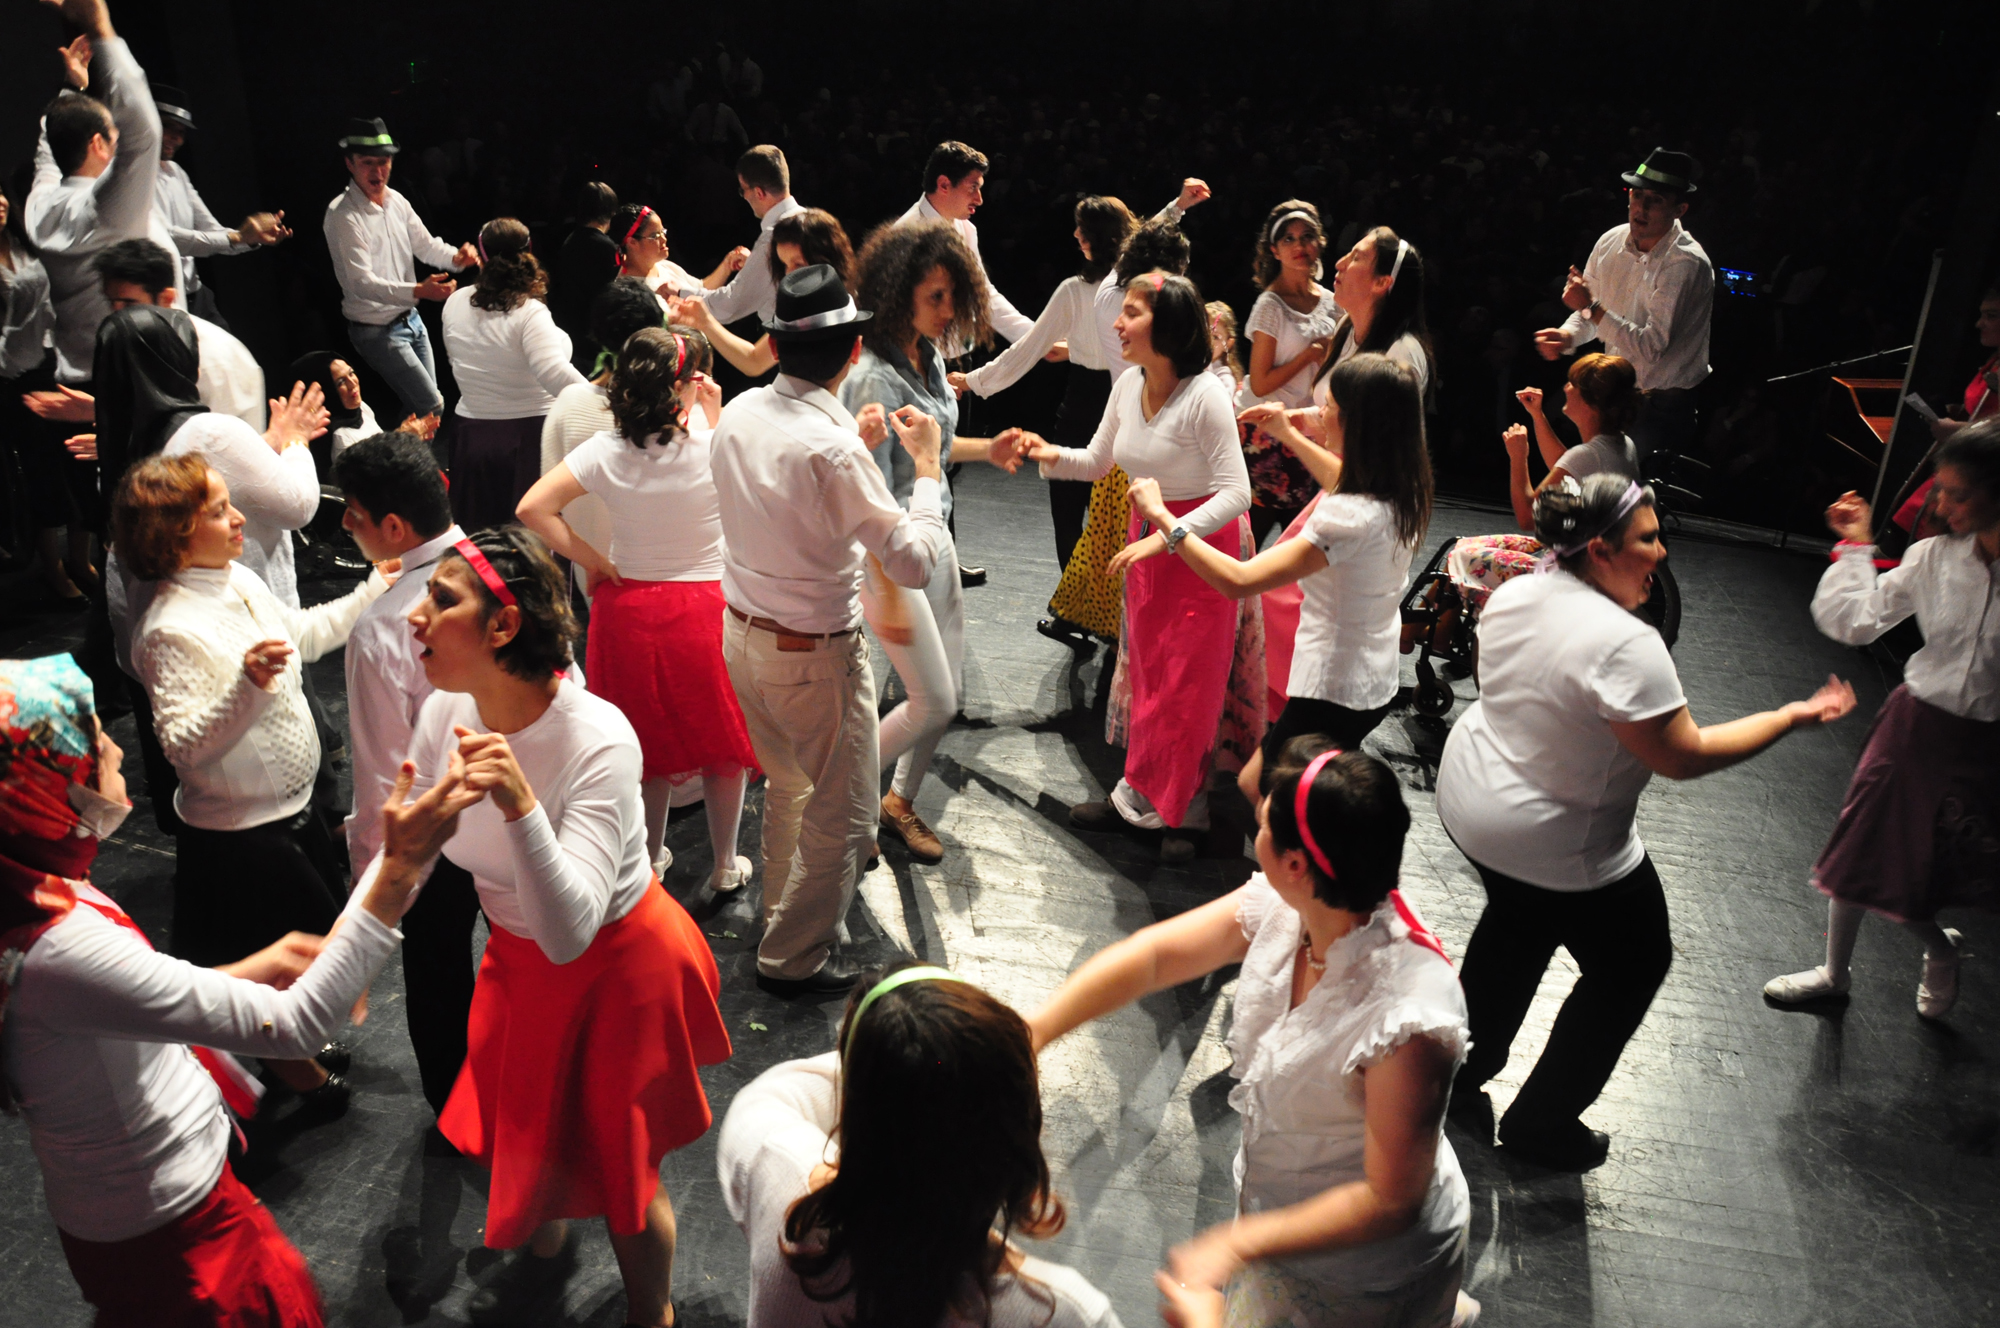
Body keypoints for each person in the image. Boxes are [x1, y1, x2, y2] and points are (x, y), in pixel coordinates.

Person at [0, 651, 470, 1328]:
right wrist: (399, 868)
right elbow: (296, 1025)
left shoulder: (33, 889)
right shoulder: (59, 945)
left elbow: (119, 1005)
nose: (115, 749)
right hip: (176, 1239)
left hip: (144, 1220)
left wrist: (257, 964)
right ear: (46, 790)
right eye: (95, 742)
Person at [1437, 473, 1856, 1170]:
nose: (1661, 553)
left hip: (1472, 797)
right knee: (1632, 962)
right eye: (1649, 539)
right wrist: (1789, 716)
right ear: (1601, 550)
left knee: (1517, 924)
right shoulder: (1626, 646)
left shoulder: (1516, 590)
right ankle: (1541, 1125)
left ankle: (1455, 1074)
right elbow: (1682, 756)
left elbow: (1498, 685)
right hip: (1551, 839)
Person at [380, 526, 732, 1327]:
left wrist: (519, 807)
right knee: (530, 1136)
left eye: (441, 600)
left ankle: (652, 1314)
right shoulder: (446, 710)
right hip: (518, 962)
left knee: (624, 1175)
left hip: (617, 970)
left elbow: (569, 932)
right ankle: (544, 1244)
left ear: (503, 626)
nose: (414, 616)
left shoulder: (598, 739)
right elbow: (416, 845)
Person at [1029, 743, 1476, 1327]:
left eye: (1262, 826)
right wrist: (1037, 1029)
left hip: (1362, 1271)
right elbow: (1156, 957)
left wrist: (1240, 1243)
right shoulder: (1291, 904)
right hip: (1285, 1214)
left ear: (1296, 864)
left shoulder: (1409, 1016)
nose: (1253, 830)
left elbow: (1389, 1198)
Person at [116, 451, 394, 1112]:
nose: (239, 518)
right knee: (263, 961)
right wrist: (247, 686)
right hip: (242, 838)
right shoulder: (167, 628)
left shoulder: (235, 579)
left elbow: (300, 636)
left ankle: (294, 1042)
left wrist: (370, 592)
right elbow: (184, 747)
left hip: (289, 816)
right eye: (219, 511)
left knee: (298, 954)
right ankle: (297, 1072)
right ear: (174, 536)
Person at [709, 264, 950, 996]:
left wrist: (853, 438)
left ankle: (780, 916)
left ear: (778, 346)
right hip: (811, 656)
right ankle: (792, 956)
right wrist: (928, 469)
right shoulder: (834, 450)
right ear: (852, 351)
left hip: (742, 635)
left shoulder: (740, 413)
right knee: (844, 817)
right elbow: (912, 563)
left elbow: (797, 489)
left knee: (788, 787)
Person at [718, 961, 1120, 1328]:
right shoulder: (1063, 1313)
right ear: (1017, 1137)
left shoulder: (774, 1171)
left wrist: (901, 1056)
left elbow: (782, 1092)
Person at [1763, 423, 2000, 1018]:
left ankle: (1939, 947)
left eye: (1958, 494)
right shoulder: (1934, 558)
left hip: (1986, 742)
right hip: (1916, 726)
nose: (1940, 506)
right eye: (1940, 489)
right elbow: (1856, 620)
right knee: (1862, 848)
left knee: (1933, 869)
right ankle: (1835, 972)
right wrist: (1857, 546)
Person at [1019, 272, 1255, 862]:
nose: (1117, 324)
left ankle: (1185, 814)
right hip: (1148, 541)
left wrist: (1167, 533)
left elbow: (1237, 493)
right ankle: (1138, 799)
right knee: (1148, 676)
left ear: (1167, 324)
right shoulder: (1128, 385)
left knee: (1189, 688)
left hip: (1200, 550)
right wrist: (1046, 454)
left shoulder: (1204, 395)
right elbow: (1098, 461)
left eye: (1131, 313)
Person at [517, 327, 756, 893]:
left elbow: (532, 508)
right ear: (684, 386)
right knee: (724, 746)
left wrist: (594, 559)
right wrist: (716, 415)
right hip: (704, 609)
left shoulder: (605, 450)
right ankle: (725, 865)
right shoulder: (717, 443)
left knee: (644, 745)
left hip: (628, 611)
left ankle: (648, 861)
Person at [840, 221, 1028, 864]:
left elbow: (934, 449)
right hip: (890, 552)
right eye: (936, 297)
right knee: (934, 700)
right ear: (899, 295)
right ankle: (841, 795)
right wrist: (880, 574)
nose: (949, 311)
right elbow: (861, 484)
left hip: (933, 531)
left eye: (953, 296)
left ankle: (896, 802)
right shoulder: (872, 376)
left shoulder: (929, 355)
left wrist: (987, 448)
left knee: (944, 697)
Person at [1180, 352, 1431, 797]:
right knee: (1272, 786)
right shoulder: (1405, 487)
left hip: (1334, 689)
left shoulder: (1346, 515)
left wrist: (1169, 524)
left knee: (1269, 794)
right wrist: (1288, 432)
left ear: (1355, 421)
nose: (1318, 413)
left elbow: (1238, 581)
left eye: (1327, 406)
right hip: (1371, 678)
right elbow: (1343, 478)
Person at [328, 433, 481, 1119]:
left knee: (439, 969)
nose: (343, 524)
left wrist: (375, 887)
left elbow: (386, 779)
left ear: (393, 527)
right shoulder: (506, 565)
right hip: (524, 806)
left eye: (353, 513)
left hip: (439, 832)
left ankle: (458, 1115)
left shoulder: (385, 627)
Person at [947, 196, 1132, 583]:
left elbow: (1028, 350)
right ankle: (1117, 603)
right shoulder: (1139, 288)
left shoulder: (1074, 291)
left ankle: (1075, 598)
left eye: (1081, 229)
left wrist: (972, 380)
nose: (1076, 234)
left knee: (1067, 510)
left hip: (1083, 409)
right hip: (1128, 408)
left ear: (1092, 239)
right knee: (1118, 516)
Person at [26, 0, 176, 389]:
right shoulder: (107, 211)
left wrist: (71, 88)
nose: (117, 140)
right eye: (112, 135)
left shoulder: (38, 207)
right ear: (97, 144)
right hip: (132, 382)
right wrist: (101, 30)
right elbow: (144, 132)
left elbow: (48, 149)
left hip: (76, 379)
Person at [1535, 148, 1712, 461]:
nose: (1641, 207)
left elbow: (1650, 346)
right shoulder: (1611, 241)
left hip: (1661, 403)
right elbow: (1591, 313)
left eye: (1655, 199)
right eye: (1637, 195)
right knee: (1589, 469)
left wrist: (1590, 308)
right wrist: (1567, 335)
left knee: (1631, 484)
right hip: (1615, 389)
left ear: (1680, 209)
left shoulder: (1684, 263)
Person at [1441, 353, 1643, 611]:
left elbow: (1528, 517)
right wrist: (1537, 415)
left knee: (1461, 557)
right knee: (1464, 546)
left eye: (1573, 384)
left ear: (1591, 402)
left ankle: (1434, 626)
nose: (1566, 388)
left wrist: (1518, 457)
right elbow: (1565, 465)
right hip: (1591, 561)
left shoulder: (1589, 455)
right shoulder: (1620, 444)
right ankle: (1440, 626)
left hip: (1571, 575)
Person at [25, 237, 268, 440]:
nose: (117, 316)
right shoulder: (139, 344)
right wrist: (103, 414)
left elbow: (221, 447)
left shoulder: (214, 356)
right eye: (112, 302)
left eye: (130, 304)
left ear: (166, 298)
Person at [322, 116, 478, 420]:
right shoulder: (343, 214)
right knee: (430, 406)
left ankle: (400, 452)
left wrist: (456, 258)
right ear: (350, 163)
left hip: (411, 321)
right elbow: (361, 284)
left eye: (384, 162)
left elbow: (426, 245)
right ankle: (398, 452)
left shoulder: (396, 200)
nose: (378, 171)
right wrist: (419, 290)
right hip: (376, 330)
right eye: (367, 163)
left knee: (423, 413)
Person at [438, 216, 588, 530]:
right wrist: (605, 402)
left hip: (472, 436)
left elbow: (458, 361)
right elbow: (555, 375)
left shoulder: (453, 302)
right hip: (528, 437)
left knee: (480, 537)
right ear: (528, 252)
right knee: (529, 542)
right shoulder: (529, 311)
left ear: (481, 256)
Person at [538, 276, 668, 601]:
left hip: (599, 582)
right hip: (678, 583)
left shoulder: (568, 404)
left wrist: (591, 562)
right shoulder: (679, 411)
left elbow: (542, 510)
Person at [1, 176, 94, 606]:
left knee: (79, 463)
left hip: (56, 361)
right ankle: (53, 569)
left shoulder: (28, 244)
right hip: (15, 375)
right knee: (45, 474)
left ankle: (81, 559)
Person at [1237, 201, 1339, 546]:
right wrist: (1309, 355)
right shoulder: (1271, 305)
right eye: (1289, 239)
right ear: (1274, 250)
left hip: (1311, 432)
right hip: (1267, 434)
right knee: (1252, 542)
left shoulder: (1333, 302)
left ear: (1320, 243)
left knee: (1303, 544)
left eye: (1307, 236)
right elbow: (1260, 381)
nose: (1299, 246)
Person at [149, 83, 289, 323]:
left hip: (196, 295)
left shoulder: (176, 173)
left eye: (181, 131)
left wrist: (249, 238)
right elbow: (167, 239)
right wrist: (237, 237)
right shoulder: (132, 177)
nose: (176, 138)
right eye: (168, 127)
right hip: (161, 302)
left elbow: (213, 231)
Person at [672, 206, 853, 378]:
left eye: (798, 264)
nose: (789, 274)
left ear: (825, 258)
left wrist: (706, 322)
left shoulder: (818, 309)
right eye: (785, 264)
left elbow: (754, 362)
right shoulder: (818, 301)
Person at [896, 141, 1034, 349]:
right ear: (944, 185)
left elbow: (982, 292)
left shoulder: (966, 228)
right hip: (920, 359)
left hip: (962, 354)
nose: (979, 199)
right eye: (972, 188)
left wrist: (1035, 336)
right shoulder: (904, 235)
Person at [696, 145, 805, 325]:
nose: (744, 197)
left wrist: (680, 294)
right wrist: (754, 262)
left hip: (794, 337)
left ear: (759, 193)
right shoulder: (815, 221)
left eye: (743, 190)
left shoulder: (772, 240)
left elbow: (728, 307)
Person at [607, 201, 743, 303]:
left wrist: (727, 264)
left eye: (663, 232)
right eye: (655, 236)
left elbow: (702, 290)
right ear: (632, 242)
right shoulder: (627, 291)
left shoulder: (665, 266)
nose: (664, 239)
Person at [550, 180, 620, 370]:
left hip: (568, 327)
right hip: (591, 334)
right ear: (611, 212)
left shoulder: (569, 240)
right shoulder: (606, 247)